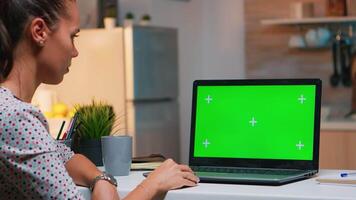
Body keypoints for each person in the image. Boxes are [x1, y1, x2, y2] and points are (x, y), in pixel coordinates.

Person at [0, 0, 199, 199]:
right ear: (39, 31)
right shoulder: (16, 118)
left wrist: (100, 179)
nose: (75, 51)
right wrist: (155, 183)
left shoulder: (11, 111)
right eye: (73, 36)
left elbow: (66, 157)